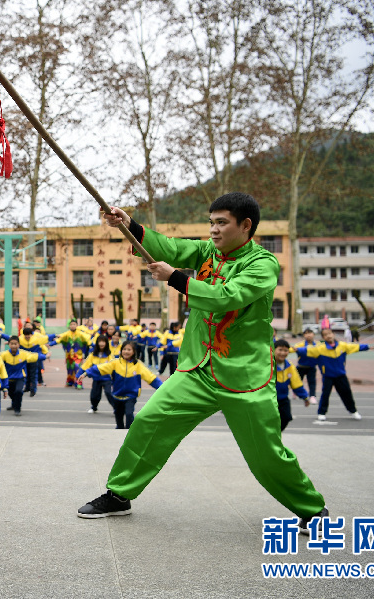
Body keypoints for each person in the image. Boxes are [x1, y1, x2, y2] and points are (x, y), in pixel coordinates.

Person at [78, 193, 328, 535]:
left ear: (246, 226)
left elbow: (227, 298)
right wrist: (130, 225)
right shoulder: (207, 251)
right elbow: (169, 248)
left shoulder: (263, 264)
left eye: (221, 223)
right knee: (150, 421)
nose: (213, 230)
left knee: (265, 454)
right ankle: (120, 494)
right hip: (198, 370)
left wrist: (176, 279)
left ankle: (312, 509)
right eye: (211, 222)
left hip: (244, 377)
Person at [297, 328, 370, 421]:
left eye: (330, 333)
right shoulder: (320, 348)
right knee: (325, 395)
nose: (328, 336)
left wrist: (367, 347)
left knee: (347, 394)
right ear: (323, 337)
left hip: (341, 376)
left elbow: (355, 347)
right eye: (325, 335)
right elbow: (306, 350)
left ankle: (353, 411)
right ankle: (321, 413)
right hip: (328, 376)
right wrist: (294, 349)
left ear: (333, 334)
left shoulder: (342, 346)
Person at [96, 341, 162, 429]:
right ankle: (119, 431)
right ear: (121, 351)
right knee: (118, 417)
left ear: (133, 351)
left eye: (129, 349)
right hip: (117, 396)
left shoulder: (138, 365)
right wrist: (85, 373)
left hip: (131, 396)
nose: (126, 351)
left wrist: (162, 388)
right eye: (124, 349)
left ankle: (129, 431)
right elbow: (101, 368)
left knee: (129, 414)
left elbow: (150, 377)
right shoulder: (115, 363)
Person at [1, 335, 45, 416]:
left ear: (19, 344)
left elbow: (34, 356)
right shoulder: (4, 355)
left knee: (18, 391)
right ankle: (14, 404)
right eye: (12, 344)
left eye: (15, 344)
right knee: (11, 393)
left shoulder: (23, 354)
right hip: (9, 378)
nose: (13, 345)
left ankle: (17, 409)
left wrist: (45, 356)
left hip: (20, 377)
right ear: (9, 344)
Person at [274, 339, 310, 431]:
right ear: (273, 350)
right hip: (269, 400)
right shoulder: (268, 365)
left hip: (283, 399)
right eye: (280, 350)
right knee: (269, 421)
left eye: (286, 350)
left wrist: (305, 397)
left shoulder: (289, 366)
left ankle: (275, 436)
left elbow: (296, 383)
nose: (283, 353)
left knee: (286, 418)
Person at [76, 335, 116, 412]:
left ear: (106, 343)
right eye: (100, 341)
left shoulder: (109, 355)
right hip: (96, 378)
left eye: (103, 342)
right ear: (97, 343)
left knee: (108, 392)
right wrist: (78, 375)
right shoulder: (92, 355)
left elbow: (113, 367)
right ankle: (94, 407)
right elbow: (85, 366)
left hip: (107, 379)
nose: (101, 343)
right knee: (94, 395)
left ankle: (116, 408)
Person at [57, 319, 89, 387]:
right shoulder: (67, 334)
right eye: (71, 324)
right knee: (69, 369)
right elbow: (60, 338)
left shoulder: (80, 334)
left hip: (78, 356)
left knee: (77, 368)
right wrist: (51, 343)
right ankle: (70, 381)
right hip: (69, 356)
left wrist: (94, 344)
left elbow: (88, 340)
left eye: (74, 324)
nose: (72, 326)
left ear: (77, 325)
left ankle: (78, 383)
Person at [293, 328, 320, 406]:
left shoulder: (318, 344)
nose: (308, 335)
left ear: (313, 335)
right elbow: (294, 349)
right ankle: (295, 392)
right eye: (306, 333)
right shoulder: (300, 344)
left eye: (310, 333)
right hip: (301, 366)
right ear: (304, 335)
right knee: (297, 381)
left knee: (312, 382)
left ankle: (312, 396)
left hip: (311, 367)